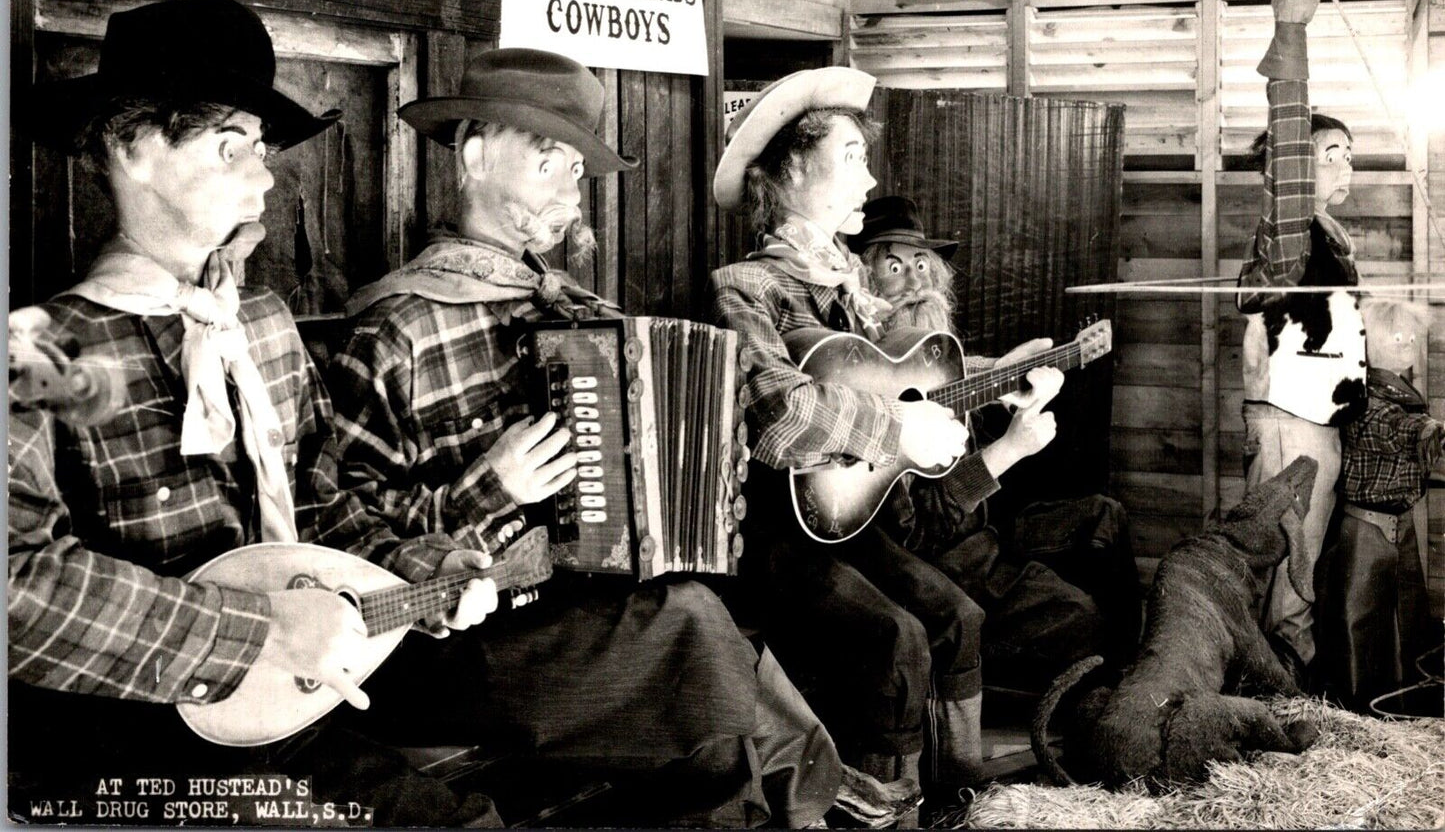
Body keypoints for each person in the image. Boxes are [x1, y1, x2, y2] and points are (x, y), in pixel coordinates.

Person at [325, 47, 918, 829]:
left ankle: (793, 789)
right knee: (695, 638)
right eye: (549, 161)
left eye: (577, 166)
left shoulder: (576, 313)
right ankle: (808, 788)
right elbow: (334, 533)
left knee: (707, 658)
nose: (572, 188)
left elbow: (722, 423)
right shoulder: (394, 326)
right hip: (452, 645)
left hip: (577, 614)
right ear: (473, 156)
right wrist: (489, 486)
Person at [7, 0, 502, 825]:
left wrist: (418, 569)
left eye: (262, 147)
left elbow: (315, 509)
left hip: (290, 707)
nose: (265, 175)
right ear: (131, 148)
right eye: (229, 145)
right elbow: (15, 585)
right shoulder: (41, 351)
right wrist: (255, 629)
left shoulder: (261, 325)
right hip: (125, 751)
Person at [707, 67, 1064, 798]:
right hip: (771, 534)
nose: (867, 181)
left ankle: (958, 798)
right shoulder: (744, 287)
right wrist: (900, 427)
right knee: (895, 638)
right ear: (793, 167)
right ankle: (883, 809)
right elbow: (779, 414)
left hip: (849, 518)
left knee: (958, 616)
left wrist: (1005, 374)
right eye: (850, 158)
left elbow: (895, 374)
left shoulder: (850, 288)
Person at [852, 195, 1138, 685]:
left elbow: (970, 376)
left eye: (923, 264)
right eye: (895, 267)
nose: (917, 282)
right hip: (944, 567)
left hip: (986, 535)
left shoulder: (938, 359)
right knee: (1087, 624)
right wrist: (1010, 449)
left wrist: (1009, 376)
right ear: (861, 283)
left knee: (1103, 518)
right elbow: (920, 529)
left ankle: (1125, 676)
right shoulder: (861, 379)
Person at [1235, 0, 1368, 681]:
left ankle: (1286, 681)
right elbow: (1287, 143)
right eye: (1328, 152)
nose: (1343, 164)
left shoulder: (1330, 238)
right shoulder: (1285, 232)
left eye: (1348, 152)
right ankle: (1278, 686)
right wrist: (1290, 28)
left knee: (1305, 557)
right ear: (1289, 170)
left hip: (1316, 420)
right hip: (1287, 422)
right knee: (1287, 561)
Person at [1314, 298, 1439, 713]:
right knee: (1357, 624)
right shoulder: (1367, 398)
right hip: (1365, 530)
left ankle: (1398, 703)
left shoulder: (1403, 395)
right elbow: (1395, 429)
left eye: (1410, 338)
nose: (1407, 345)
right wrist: (1431, 431)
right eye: (1397, 338)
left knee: (1408, 622)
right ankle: (1355, 711)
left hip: (1398, 525)